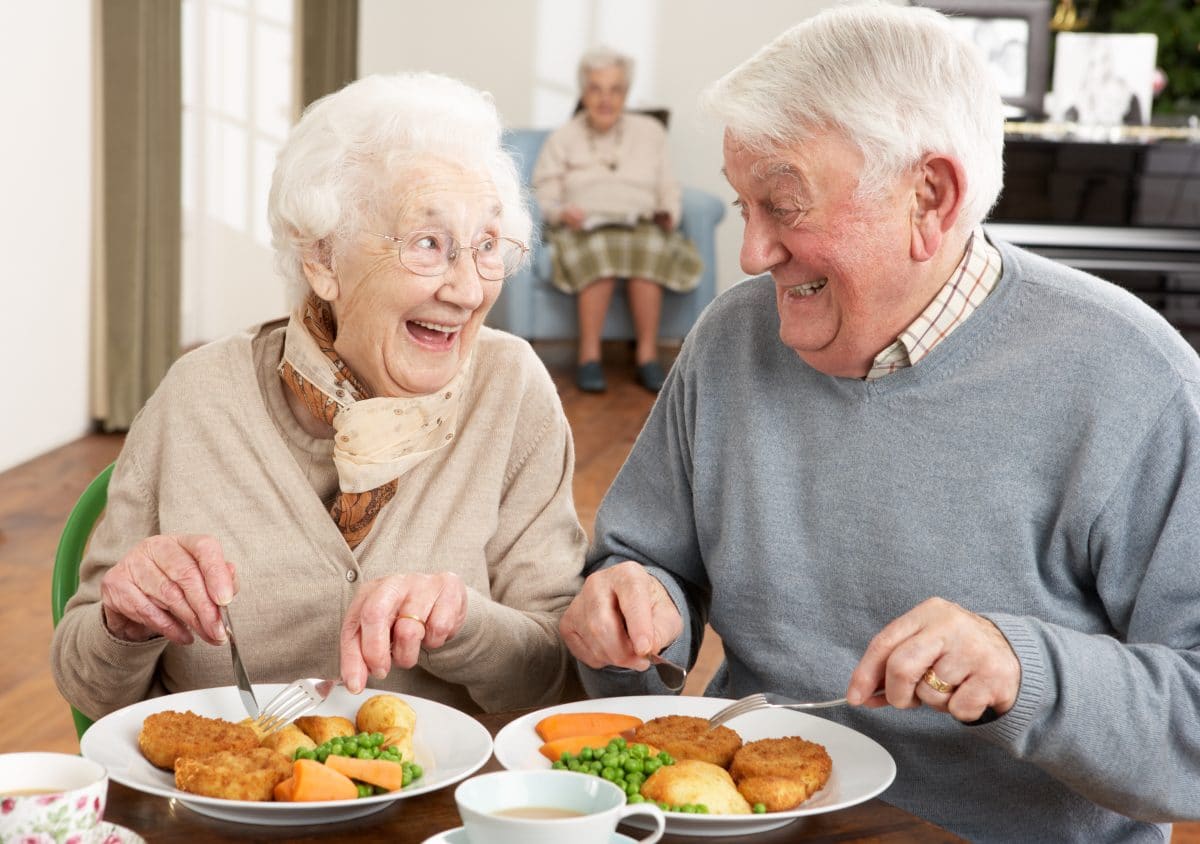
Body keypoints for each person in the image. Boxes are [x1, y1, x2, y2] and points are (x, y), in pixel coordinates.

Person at [558, 5, 1200, 842]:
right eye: (742, 203)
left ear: (929, 198)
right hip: (744, 822)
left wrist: (1023, 669)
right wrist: (629, 612)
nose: (751, 253)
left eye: (784, 206)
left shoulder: (1137, 382)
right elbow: (641, 563)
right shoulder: (729, 340)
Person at [51, 72, 588, 719]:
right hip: (225, 800)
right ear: (323, 260)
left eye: (486, 247)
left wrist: (465, 625)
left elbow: (558, 679)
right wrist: (124, 620)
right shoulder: (197, 397)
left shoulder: (511, 391)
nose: (468, 290)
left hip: (443, 813)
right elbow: (89, 683)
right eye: (428, 244)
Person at [532, 46, 703, 394]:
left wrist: (669, 213)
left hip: (639, 222)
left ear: (626, 93)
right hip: (584, 226)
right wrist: (563, 212)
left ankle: (647, 357)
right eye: (596, 89)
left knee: (650, 249)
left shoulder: (651, 132)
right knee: (601, 252)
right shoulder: (563, 138)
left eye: (615, 90)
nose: (605, 99)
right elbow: (543, 193)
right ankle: (589, 357)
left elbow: (668, 186)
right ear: (584, 93)